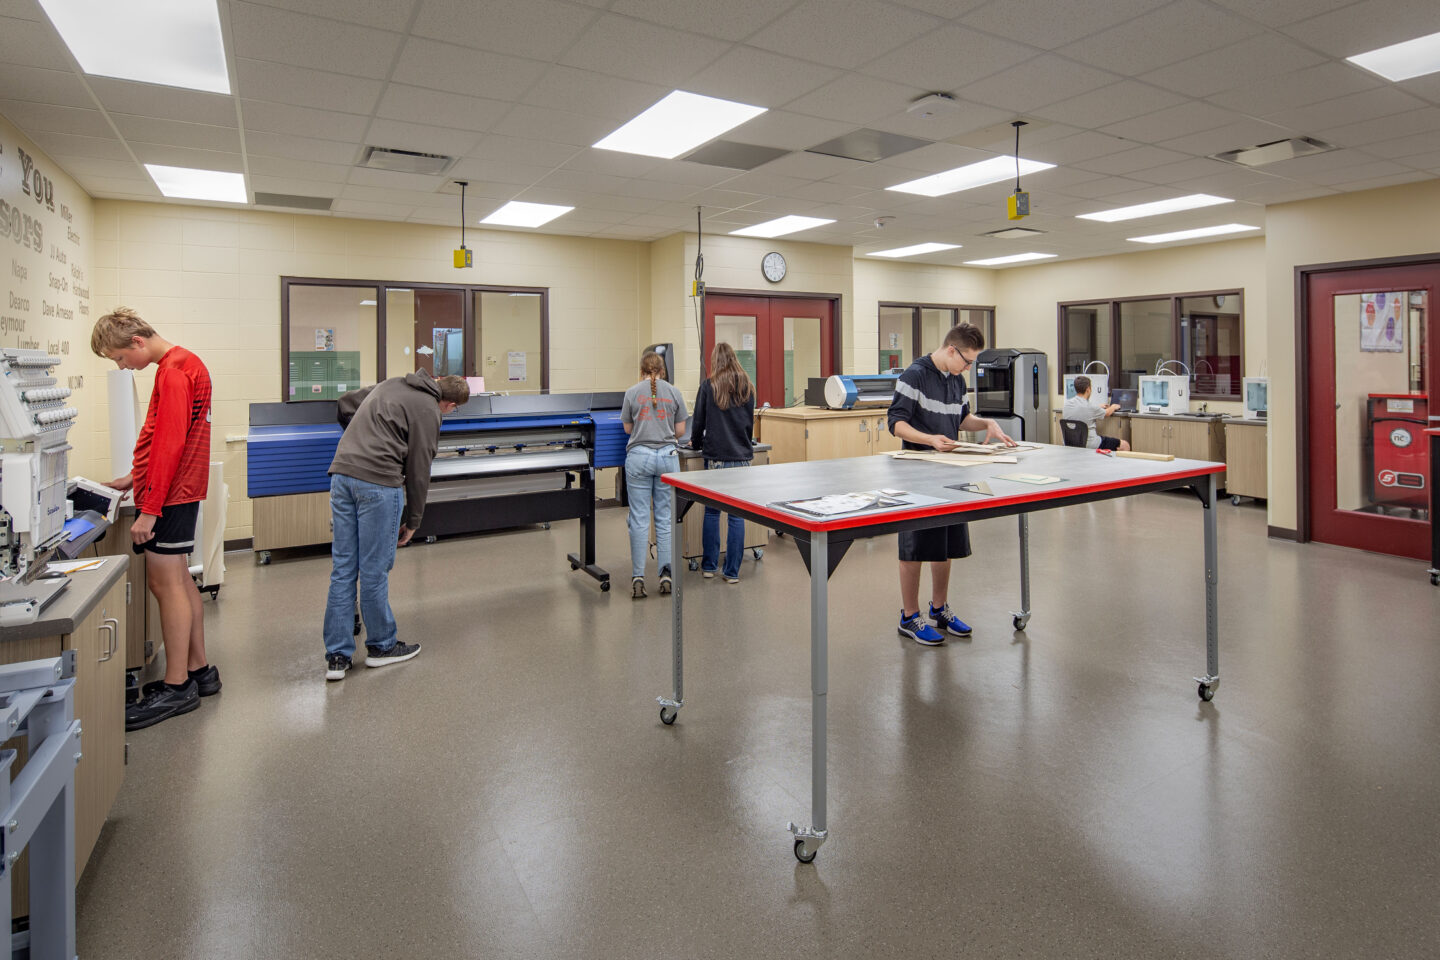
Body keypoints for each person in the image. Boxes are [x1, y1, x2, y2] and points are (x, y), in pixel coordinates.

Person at [92, 307, 220, 730]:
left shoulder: (174, 372)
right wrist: (135, 476)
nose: (122, 366)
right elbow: (171, 436)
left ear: (136, 342)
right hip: (177, 489)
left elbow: (169, 445)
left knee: (165, 585)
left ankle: (176, 686)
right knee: (181, 582)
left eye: (119, 358)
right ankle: (199, 671)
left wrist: (149, 509)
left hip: (170, 495)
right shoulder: (183, 364)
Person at [323, 369, 470, 681]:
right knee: (374, 569)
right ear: (449, 404)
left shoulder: (393, 383)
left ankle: (337, 657)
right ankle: (381, 647)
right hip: (378, 483)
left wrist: (364, 439)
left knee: (343, 568)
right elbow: (419, 469)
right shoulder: (430, 411)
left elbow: (346, 404)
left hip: (341, 475)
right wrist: (414, 521)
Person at [887, 323, 1016, 645]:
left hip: (950, 474)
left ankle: (939, 608)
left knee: (943, 546)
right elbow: (896, 423)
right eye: (967, 361)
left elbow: (961, 420)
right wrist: (929, 439)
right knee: (914, 547)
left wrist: (986, 423)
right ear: (950, 350)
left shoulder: (957, 381)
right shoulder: (914, 376)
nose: (969, 368)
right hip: (916, 474)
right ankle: (909, 616)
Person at [689, 342, 756, 584]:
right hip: (741, 457)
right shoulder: (748, 386)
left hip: (716, 458)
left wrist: (695, 443)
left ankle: (708, 566)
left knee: (712, 512)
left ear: (716, 361)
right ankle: (732, 572)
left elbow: (698, 422)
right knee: (737, 516)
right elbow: (749, 424)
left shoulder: (709, 386)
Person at [622, 351, 687, 599]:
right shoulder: (674, 392)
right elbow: (680, 430)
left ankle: (638, 577)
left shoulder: (631, 393)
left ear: (641, 371)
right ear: (662, 371)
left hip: (638, 457)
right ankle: (666, 575)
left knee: (639, 519)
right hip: (668, 459)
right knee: (665, 518)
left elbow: (628, 428)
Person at [1062, 375, 1129, 451]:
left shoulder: (1067, 405)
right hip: (1090, 444)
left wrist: (1098, 407)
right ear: (1088, 389)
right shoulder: (1089, 407)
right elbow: (1107, 413)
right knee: (1125, 445)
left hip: (1071, 444)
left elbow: (1083, 410)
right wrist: (1113, 407)